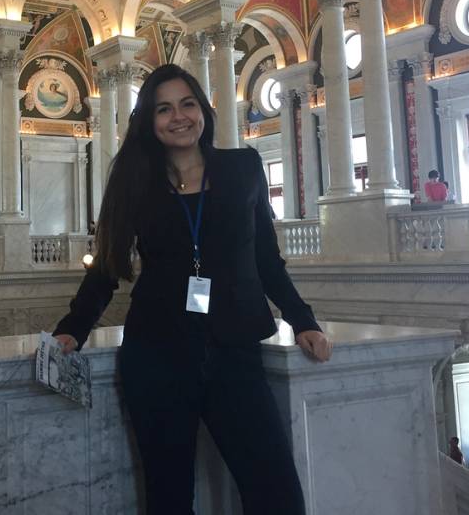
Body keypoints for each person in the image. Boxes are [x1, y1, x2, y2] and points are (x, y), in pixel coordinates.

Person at [52, 64, 331, 515]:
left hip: (234, 349)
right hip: (157, 353)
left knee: (276, 492)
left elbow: (266, 257)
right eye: (164, 108)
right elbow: (107, 265)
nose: (178, 116)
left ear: (203, 109)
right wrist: (73, 329)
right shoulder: (133, 179)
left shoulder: (243, 167)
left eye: (187, 104)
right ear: (149, 120)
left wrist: (303, 320)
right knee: (169, 499)